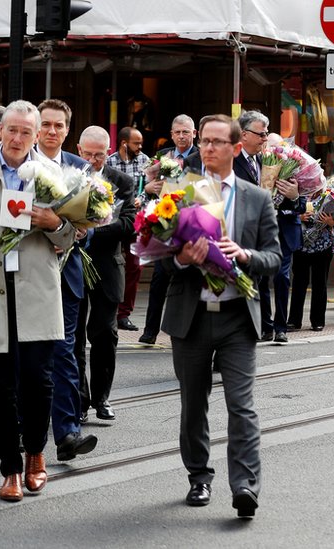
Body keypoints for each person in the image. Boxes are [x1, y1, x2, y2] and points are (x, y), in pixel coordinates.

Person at [161, 114, 280, 518]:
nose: (207, 148)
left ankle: (245, 485)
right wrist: (180, 257)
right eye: (204, 142)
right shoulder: (180, 192)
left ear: (235, 146)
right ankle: (199, 477)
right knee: (193, 403)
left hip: (236, 317)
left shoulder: (256, 197)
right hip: (191, 315)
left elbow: (275, 257)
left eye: (216, 141)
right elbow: (158, 260)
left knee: (241, 405)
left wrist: (244, 255)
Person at [0, 100, 78, 501]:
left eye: (27, 132)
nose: (18, 138)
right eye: (12, 130)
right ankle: (9, 468)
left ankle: (35, 455)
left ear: (37, 134)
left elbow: (71, 238)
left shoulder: (54, 176)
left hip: (38, 289)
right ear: (1, 130)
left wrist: (54, 223)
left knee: (38, 382)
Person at [68, 127, 135, 459]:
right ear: (78, 148)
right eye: (88, 154)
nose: (93, 160)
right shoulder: (64, 175)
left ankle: (102, 398)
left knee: (105, 333)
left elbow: (130, 225)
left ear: (109, 152)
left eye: (100, 155)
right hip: (73, 266)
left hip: (108, 266)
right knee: (74, 336)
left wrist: (93, 227)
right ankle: (79, 401)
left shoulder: (122, 181)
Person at [37, 100, 94, 430]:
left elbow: (89, 224)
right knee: (28, 356)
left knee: (65, 352)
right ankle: (25, 427)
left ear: (68, 130)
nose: (52, 131)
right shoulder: (20, 165)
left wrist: (82, 229)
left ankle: (68, 430)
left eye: (59, 125)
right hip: (28, 272)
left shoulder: (80, 167)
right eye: (46, 124)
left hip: (68, 274)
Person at [236, 111, 304, 342]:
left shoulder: (276, 162)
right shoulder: (234, 161)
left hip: (281, 231)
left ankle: (280, 327)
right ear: (244, 135)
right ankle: (264, 326)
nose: (266, 140)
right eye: (262, 135)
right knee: (260, 279)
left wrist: (294, 196)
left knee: (282, 278)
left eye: (267, 135)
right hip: (249, 233)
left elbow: (301, 200)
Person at [140, 114, 201, 345]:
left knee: (188, 282)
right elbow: (144, 188)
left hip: (192, 224)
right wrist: (148, 187)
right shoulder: (161, 157)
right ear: (172, 134)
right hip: (165, 224)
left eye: (186, 132)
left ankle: (186, 332)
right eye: (178, 132)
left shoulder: (200, 157)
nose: (182, 136)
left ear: (194, 134)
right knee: (159, 279)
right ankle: (150, 331)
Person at [107, 127, 149, 332]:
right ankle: (110, 310)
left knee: (135, 266)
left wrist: (141, 199)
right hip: (113, 221)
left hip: (135, 221)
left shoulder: (145, 161)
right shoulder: (109, 162)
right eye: (136, 143)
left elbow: (151, 188)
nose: (140, 147)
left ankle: (124, 314)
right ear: (124, 143)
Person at [288, 199, 334, 331]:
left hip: (323, 244)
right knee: (299, 283)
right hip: (301, 244)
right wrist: (298, 216)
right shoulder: (297, 193)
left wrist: (331, 222)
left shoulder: (328, 194)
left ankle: (317, 321)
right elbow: (283, 212)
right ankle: (294, 321)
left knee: (320, 284)